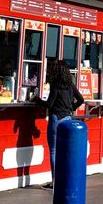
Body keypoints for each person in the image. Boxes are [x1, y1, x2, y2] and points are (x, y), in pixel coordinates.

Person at [34, 60, 84, 188]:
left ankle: (55, 181)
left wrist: (37, 100)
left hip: (56, 119)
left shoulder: (55, 85)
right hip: (67, 119)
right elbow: (81, 99)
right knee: (65, 151)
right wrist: (71, 107)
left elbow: (49, 104)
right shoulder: (70, 85)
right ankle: (65, 179)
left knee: (54, 151)